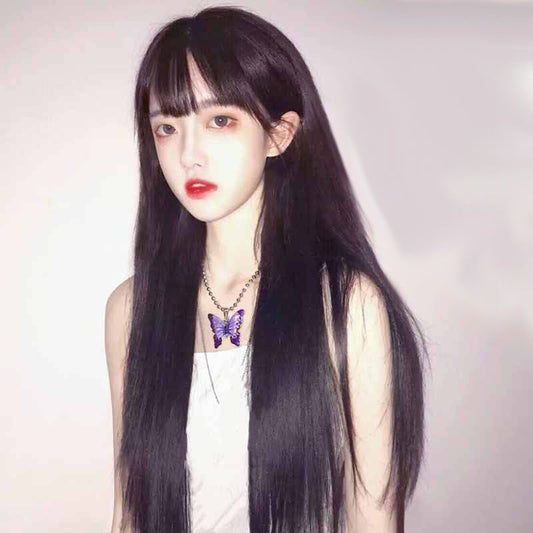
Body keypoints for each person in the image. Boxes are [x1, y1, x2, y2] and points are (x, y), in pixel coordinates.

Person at [104, 6, 429, 533]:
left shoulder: (345, 304)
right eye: (167, 127)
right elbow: (130, 513)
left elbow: (372, 518)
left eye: (220, 121)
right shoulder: (131, 310)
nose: (189, 155)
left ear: (279, 134)